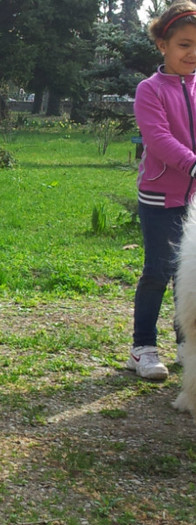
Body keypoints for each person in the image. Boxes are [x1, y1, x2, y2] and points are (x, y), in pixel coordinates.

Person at [129, 1, 196, 380]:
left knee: (190, 276)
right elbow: (158, 139)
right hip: (160, 199)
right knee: (158, 271)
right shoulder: (149, 90)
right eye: (184, 45)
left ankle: (187, 346)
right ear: (163, 46)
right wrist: (192, 163)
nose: (193, 54)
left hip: (195, 201)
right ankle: (143, 349)